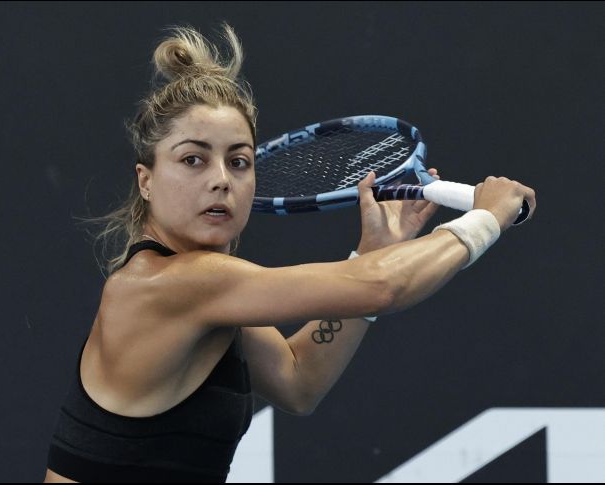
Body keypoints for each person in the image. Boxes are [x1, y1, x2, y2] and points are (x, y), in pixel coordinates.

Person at [44, 23, 536, 483]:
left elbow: (299, 381)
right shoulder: (174, 284)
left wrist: (369, 251)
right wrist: (485, 219)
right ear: (145, 180)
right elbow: (382, 286)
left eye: (238, 161)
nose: (220, 179)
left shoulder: (208, 295)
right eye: (193, 159)